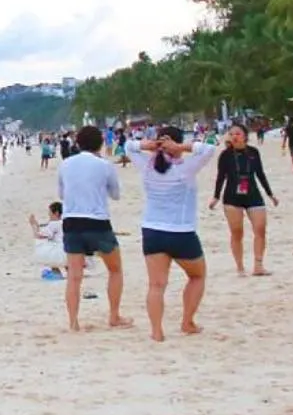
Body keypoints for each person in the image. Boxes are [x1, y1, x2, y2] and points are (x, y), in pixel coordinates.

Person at [128, 126, 217, 341]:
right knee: (197, 276)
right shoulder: (185, 168)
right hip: (181, 232)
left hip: (152, 231)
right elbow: (209, 149)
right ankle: (187, 321)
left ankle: (157, 331)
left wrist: (146, 145)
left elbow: (128, 146)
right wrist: (180, 147)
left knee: (156, 285)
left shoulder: (147, 166)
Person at [56, 125, 132, 333]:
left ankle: (73, 322)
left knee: (74, 276)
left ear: (78, 143)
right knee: (115, 269)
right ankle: (114, 315)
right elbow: (116, 194)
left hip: (72, 221)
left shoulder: (66, 164)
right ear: (100, 143)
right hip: (97, 221)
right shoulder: (104, 166)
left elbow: (62, 194)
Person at [211, 123, 278, 276]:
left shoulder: (254, 152)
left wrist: (270, 194)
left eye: (238, 133)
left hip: (253, 194)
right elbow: (220, 177)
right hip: (232, 197)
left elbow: (260, 174)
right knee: (237, 232)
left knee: (260, 229)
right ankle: (240, 267)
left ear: (245, 136)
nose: (234, 136)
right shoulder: (225, 155)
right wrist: (216, 197)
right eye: (232, 134)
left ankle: (258, 265)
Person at [29, 203, 66, 279]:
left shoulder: (54, 224)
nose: (49, 215)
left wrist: (34, 225)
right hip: (69, 250)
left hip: (60, 252)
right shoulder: (65, 222)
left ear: (56, 213)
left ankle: (56, 273)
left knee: (50, 252)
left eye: (50, 213)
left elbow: (39, 236)